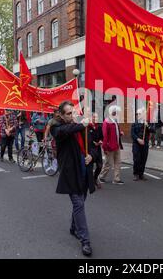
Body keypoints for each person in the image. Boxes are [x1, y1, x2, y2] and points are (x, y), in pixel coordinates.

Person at [50, 101, 96, 257]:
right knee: (78, 203)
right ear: (62, 115)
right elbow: (64, 131)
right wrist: (82, 124)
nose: (72, 115)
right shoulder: (58, 127)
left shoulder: (81, 126)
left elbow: (94, 146)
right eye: (68, 113)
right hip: (70, 171)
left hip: (84, 169)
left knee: (81, 201)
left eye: (73, 112)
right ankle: (85, 241)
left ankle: (73, 227)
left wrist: (92, 156)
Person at [98, 105, 124, 185]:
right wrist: (104, 148)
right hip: (109, 147)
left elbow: (115, 132)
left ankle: (117, 179)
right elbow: (105, 136)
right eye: (116, 112)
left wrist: (120, 133)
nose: (117, 113)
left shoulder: (115, 121)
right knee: (108, 163)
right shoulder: (106, 122)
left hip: (117, 145)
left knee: (118, 162)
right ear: (112, 112)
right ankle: (101, 177)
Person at [131, 108, 154, 181]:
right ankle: (136, 174)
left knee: (143, 159)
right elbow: (132, 134)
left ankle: (141, 174)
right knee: (136, 159)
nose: (138, 115)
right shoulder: (134, 123)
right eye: (137, 114)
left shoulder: (147, 123)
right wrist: (138, 139)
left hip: (145, 144)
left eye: (139, 114)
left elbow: (153, 130)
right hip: (136, 144)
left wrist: (147, 126)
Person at [88, 112, 103, 189]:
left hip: (98, 149)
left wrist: (100, 141)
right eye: (94, 117)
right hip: (90, 149)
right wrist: (93, 142)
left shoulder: (99, 127)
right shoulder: (88, 126)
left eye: (96, 117)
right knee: (90, 167)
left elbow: (102, 137)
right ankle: (90, 182)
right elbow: (87, 138)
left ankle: (95, 178)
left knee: (100, 166)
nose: (95, 119)